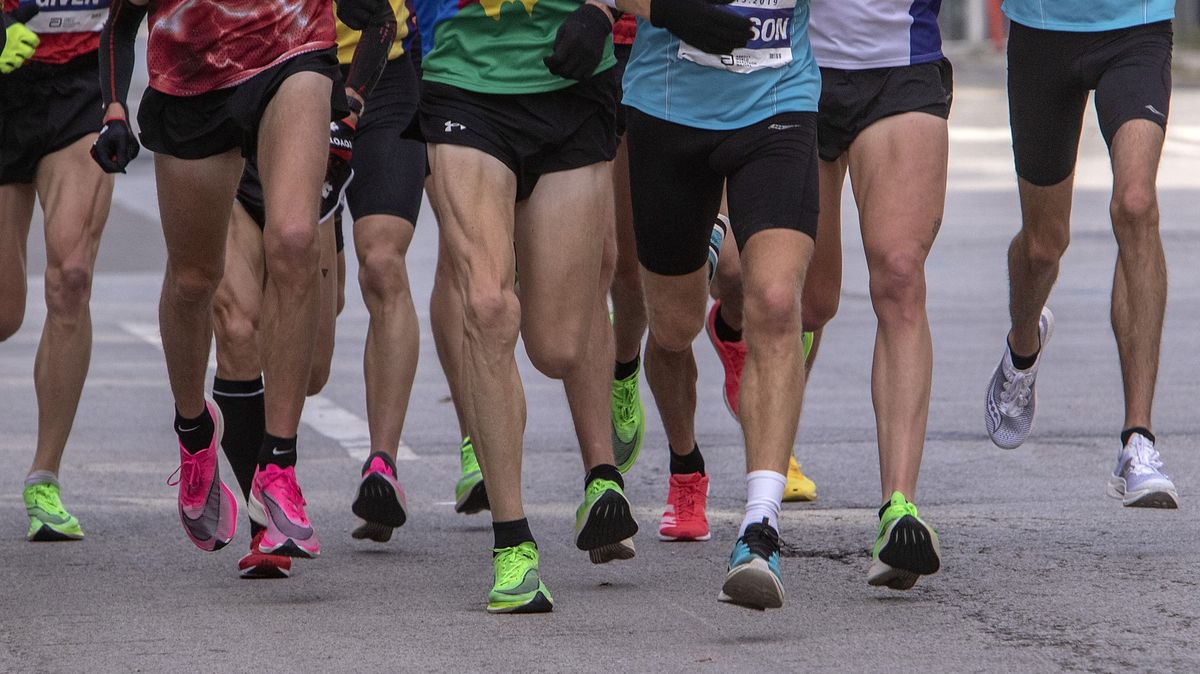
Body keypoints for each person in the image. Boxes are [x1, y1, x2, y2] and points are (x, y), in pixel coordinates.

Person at [93, 0, 386, 557]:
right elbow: (122, 20)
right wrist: (112, 109)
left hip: (292, 51)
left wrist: (351, 106)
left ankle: (279, 466)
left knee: (294, 241)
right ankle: (195, 433)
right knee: (194, 280)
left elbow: (378, 16)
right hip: (191, 76)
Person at [622, 0, 819, 609]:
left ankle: (759, 532)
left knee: (778, 302)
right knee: (673, 327)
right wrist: (665, 10)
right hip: (668, 105)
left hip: (780, 97)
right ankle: (686, 464)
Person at [984, 0, 1179, 509]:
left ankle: (1138, 442)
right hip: (1043, 30)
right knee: (1044, 244)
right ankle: (1023, 347)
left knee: (1136, 205)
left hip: (1136, 25)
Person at [806, 0, 952, 589]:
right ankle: (764, 471)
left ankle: (899, 507)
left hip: (901, 65)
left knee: (899, 276)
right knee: (805, 300)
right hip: (790, 67)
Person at [1, 0, 110, 542]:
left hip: (82, 84)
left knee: (73, 277)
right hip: (3, 81)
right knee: (4, 312)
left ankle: (44, 478)